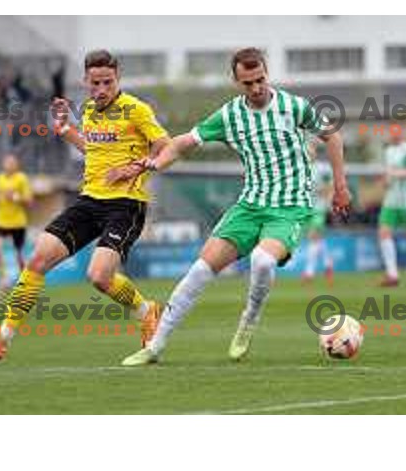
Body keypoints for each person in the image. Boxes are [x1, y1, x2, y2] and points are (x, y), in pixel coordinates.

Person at [121, 47, 351, 366]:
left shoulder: (293, 106)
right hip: (250, 205)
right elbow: (183, 143)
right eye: (248, 83)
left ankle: (249, 320)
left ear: (266, 73)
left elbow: (333, 137)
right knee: (199, 271)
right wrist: (154, 164)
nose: (256, 88)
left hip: (289, 207)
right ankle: (155, 346)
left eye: (260, 80)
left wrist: (340, 187)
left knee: (262, 261)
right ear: (236, 80)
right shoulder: (229, 116)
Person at [0, 49, 170, 360]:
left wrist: (136, 166)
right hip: (89, 200)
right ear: (86, 81)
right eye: (95, 83)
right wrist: (64, 130)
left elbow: (165, 146)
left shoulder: (136, 110)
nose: (101, 90)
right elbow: (93, 149)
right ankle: (1, 337)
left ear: (118, 79)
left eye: (108, 82)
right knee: (37, 260)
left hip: (126, 204)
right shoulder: (89, 110)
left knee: (99, 277)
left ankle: (147, 311)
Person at [377, 130, 406, 287]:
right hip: (391, 200)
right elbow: (389, 174)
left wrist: (395, 174)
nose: (393, 135)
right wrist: (386, 181)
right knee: (383, 232)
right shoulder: (388, 151)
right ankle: (392, 274)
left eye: (396, 132)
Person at [0, 154, 33, 287]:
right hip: (1, 221)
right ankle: (2, 279)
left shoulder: (21, 178)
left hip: (17, 222)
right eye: (7, 163)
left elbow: (29, 201)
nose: (9, 165)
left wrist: (15, 197)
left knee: (19, 255)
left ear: (17, 165)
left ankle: (24, 281)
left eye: (12, 163)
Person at [302, 142, 334, 285]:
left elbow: (330, 186)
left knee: (313, 236)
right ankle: (328, 263)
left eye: (311, 151)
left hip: (319, 207)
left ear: (315, 153)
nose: (309, 153)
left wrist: (329, 201)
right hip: (306, 207)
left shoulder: (323, 168)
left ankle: (309, 272)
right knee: (316, 238)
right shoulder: (301, 169)